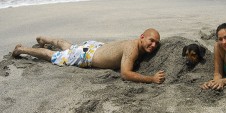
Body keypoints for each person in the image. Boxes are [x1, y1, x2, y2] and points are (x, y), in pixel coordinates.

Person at [12, 28, 165, 84]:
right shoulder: (132, 49)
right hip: (88, 56)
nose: (153, 45)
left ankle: (44, 39)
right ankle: (21, 49)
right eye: (151, 41)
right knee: (54, 56)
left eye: (156, 44)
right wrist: (151, 79)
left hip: (94, 47)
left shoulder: (135, 44)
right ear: (142, 37)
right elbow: (125, 74)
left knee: (71, 48)